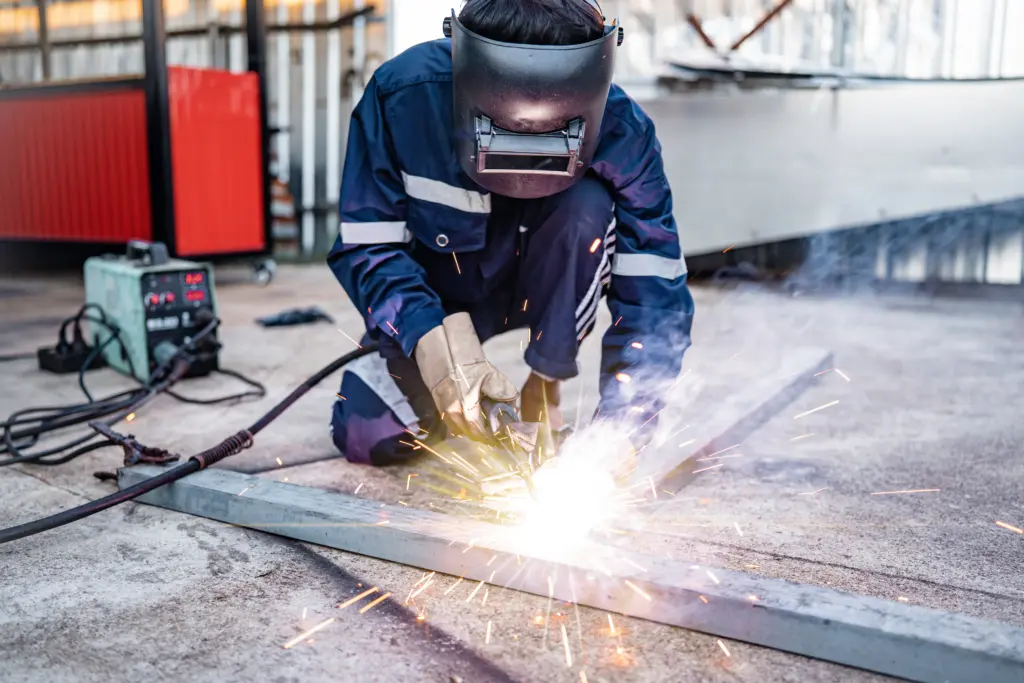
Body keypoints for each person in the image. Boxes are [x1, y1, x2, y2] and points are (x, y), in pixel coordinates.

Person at [327, 0, 694, 467]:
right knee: (367, 436)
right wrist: (424, 337)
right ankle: (446, 375)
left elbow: (654, 293)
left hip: (546, 287)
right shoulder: (403, 96)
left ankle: (545, 383)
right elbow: (369, 247)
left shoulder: (624, 129)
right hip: (437, 300)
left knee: (587, 208)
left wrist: (625, 426)